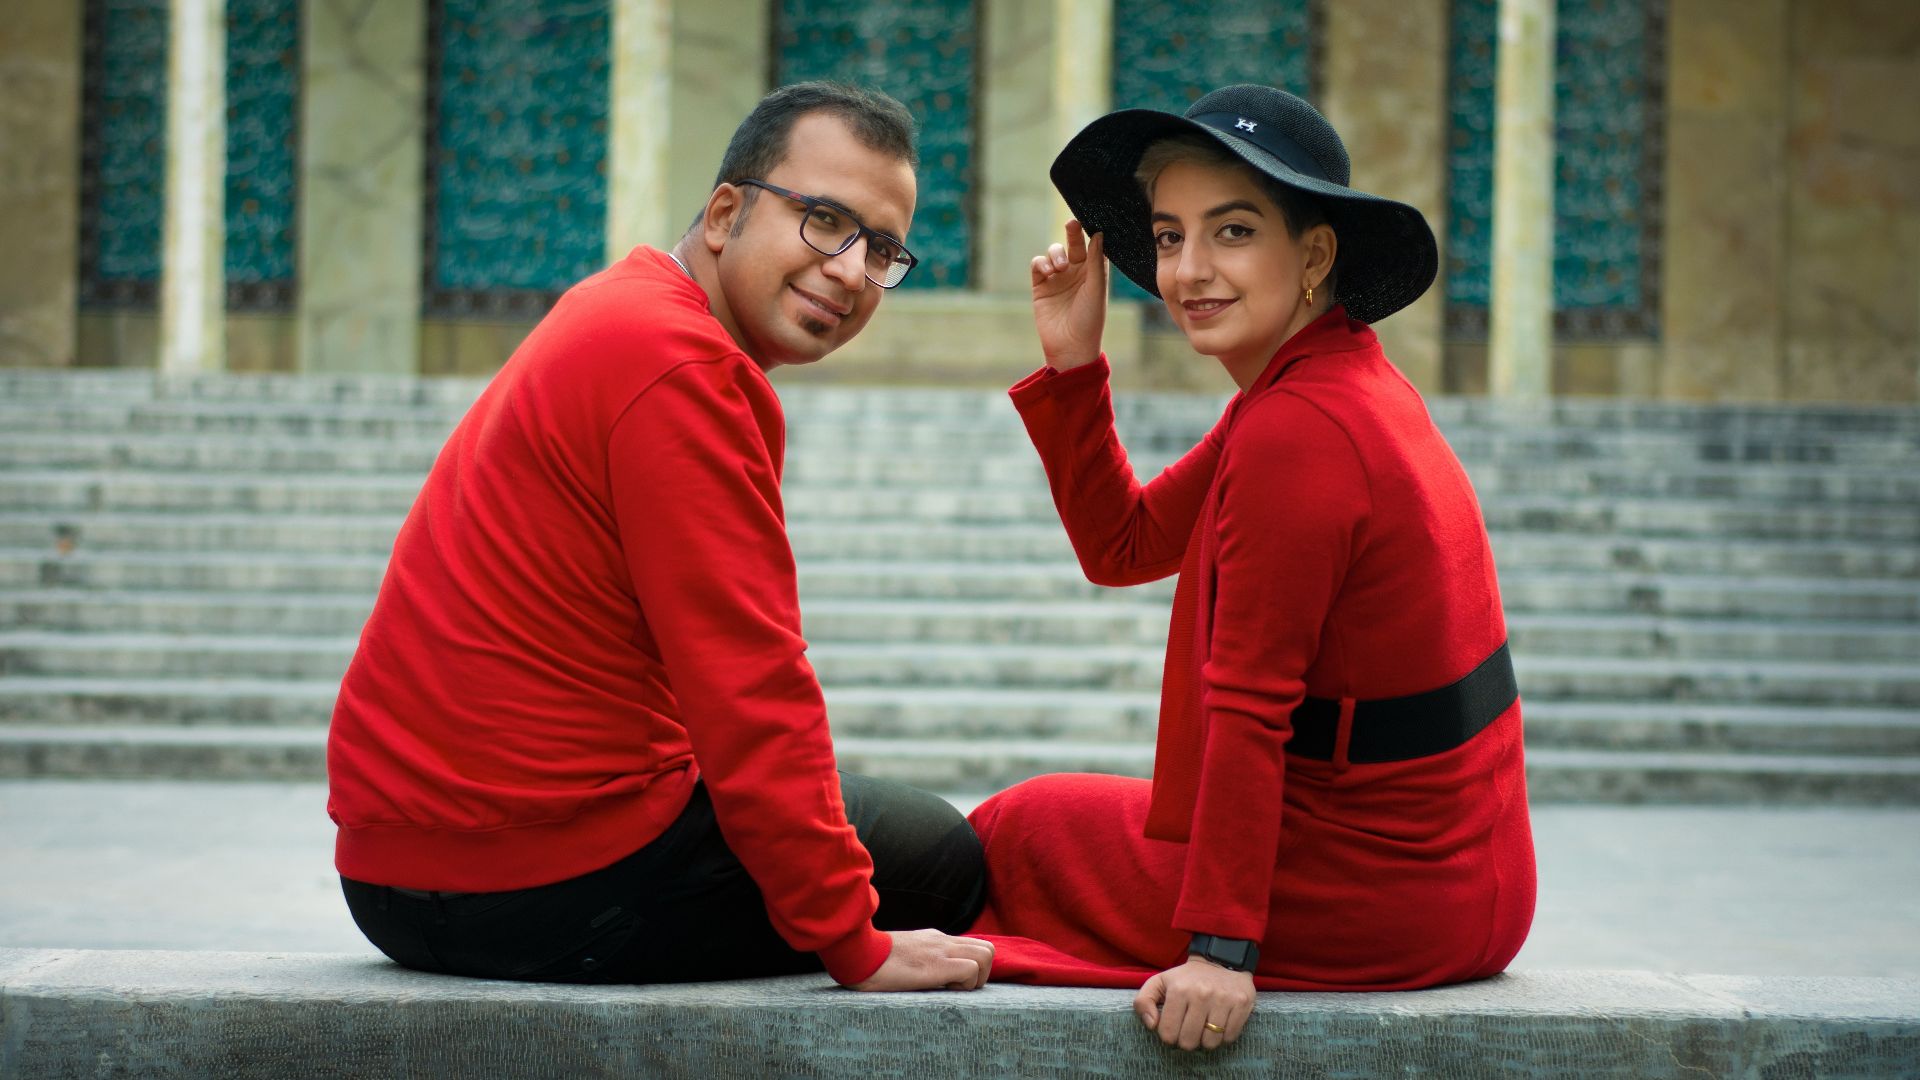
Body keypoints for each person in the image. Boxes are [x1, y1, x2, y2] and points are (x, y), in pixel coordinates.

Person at [326, 82, 993, 992]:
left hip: (391, 874)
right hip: (542, 881)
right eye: (826, 221)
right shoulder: (680, 366)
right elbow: (750, 681)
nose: (849, 269)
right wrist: (852, 939)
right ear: (724, 214)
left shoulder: (624, 305)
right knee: (941, 860)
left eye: (880, 249)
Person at [966, 84, 1536, 1050]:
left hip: (1376, 891)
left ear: (1314, 256)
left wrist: (1220, 952)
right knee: (1042, 821)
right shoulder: (1330, 382)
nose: (1189, 269)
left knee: (1015, 834)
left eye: (1232, 232)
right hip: (1468, 884)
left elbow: (1250, 704)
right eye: (1170, 236)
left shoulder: (1300, 431)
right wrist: (1072, 365)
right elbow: (1124, 545)